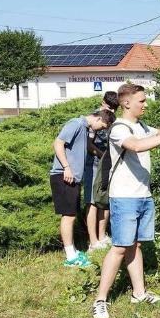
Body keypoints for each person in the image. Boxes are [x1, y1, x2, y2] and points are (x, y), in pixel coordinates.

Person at [92, 84, 160, 318]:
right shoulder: (119, 129)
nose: (146, 104)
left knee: (135, 245)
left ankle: (139, 293)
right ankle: (100, 300)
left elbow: (156, 133)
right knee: (120, 247)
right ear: (126, 103)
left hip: (143, 194)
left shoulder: (140, 125)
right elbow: (136, 146)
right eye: (141, 101)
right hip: (124, 196)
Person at [50, 109, 115, 267]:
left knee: (71, 215)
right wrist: (66, 167)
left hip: (72, 177)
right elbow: (58, 143)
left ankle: (72, 251)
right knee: (69, 216)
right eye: (103, 126)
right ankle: (71, 256)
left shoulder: (85, 128)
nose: (102, 129)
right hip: (63, 175)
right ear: (98, 118)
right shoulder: (76, 124)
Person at [85, 91, 119, 251]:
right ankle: (93, 242)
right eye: (109, 106)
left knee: (105, 201)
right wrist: (102, 155)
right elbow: (89, 144)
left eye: (114, 107)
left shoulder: (115, 120)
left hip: (108, 165)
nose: (111, 110)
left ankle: (102, 235)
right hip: (94, 164)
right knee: (92, 201)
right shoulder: (94, 118)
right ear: (102, 101)